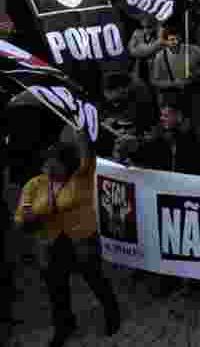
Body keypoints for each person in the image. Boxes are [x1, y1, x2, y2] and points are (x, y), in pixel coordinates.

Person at [14, 126, 120, 347]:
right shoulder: (34, 185)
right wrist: (29, 217)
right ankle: (64, 326)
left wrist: (82, 137)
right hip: (51, 244)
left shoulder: (80, 178)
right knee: (57, 289)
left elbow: (87, 158)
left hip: (81, 240)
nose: (49, 167)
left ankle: (112, 314)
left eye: (55, 163)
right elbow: (20, 218)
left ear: (66, 164)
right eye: (46, 163)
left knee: (95, 279)